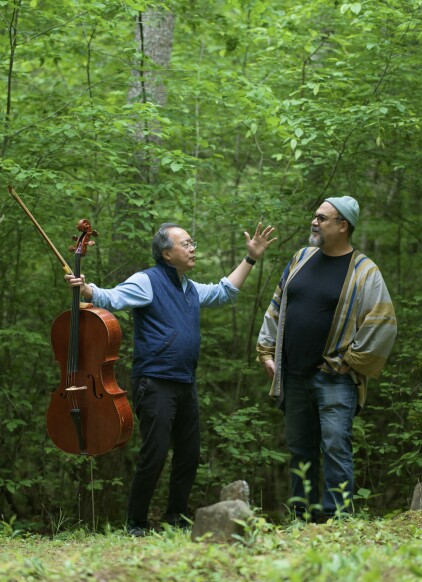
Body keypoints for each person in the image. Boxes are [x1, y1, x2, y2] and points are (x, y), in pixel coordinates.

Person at [67, 221, 276, 536]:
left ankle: (175, 519)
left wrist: (251, 258)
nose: (193, 248)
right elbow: (111, 298)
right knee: (155, 451)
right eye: (187, 244)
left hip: (184, 382)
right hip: (155, 382)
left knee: (189, 454)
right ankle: (136, 524)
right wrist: (87, 290)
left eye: (193, 243)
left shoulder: (189, 288)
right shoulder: (147, 281)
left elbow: (224, 292)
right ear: (166, 253)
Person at [256, 196, 397, 522]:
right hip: (293, 374)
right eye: (315, 217)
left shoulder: (364, 271)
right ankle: (301, 518)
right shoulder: (301, 259)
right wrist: (266, 351)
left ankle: (336, 522)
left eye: (322, 218)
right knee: (300, 450)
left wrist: (353, 359)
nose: (314, 222)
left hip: (333, 377)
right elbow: (277, 307)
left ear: (342, 226)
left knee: (335, 448)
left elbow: (383, 321)